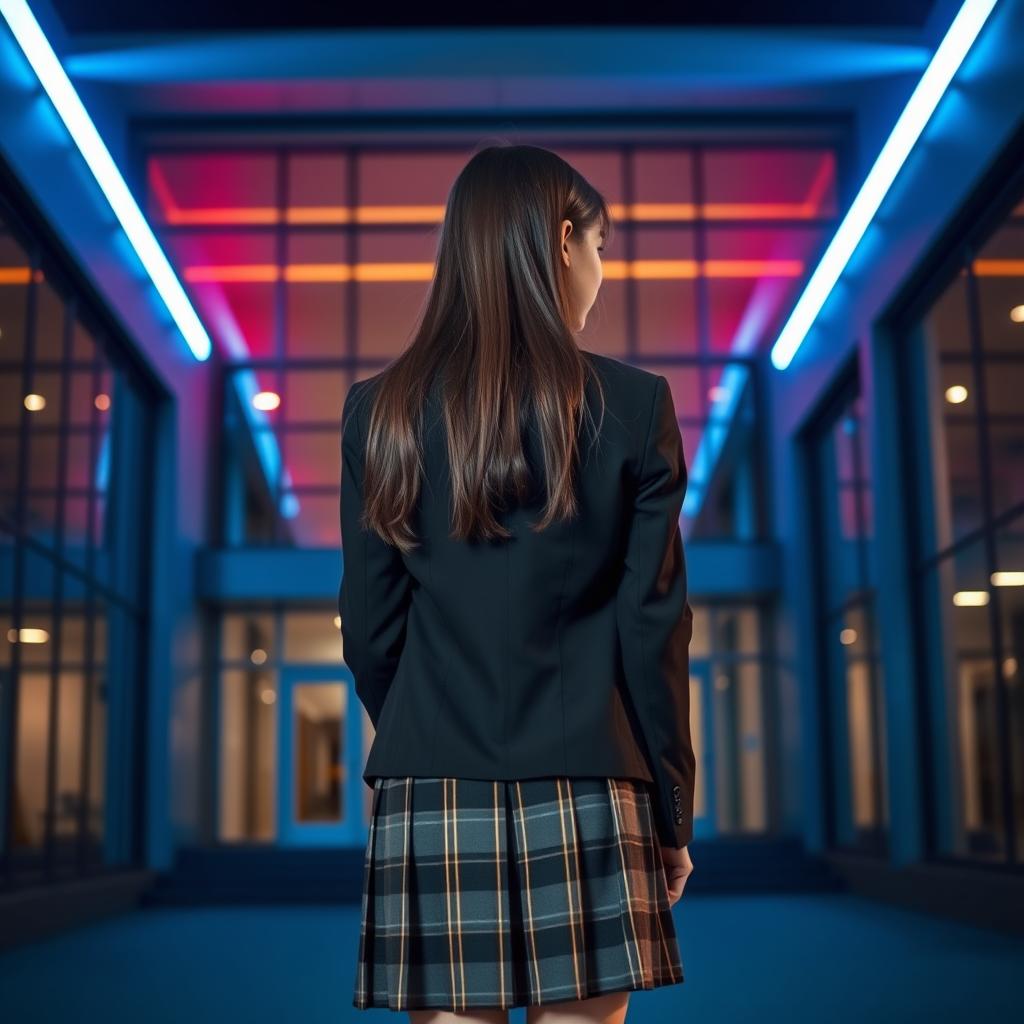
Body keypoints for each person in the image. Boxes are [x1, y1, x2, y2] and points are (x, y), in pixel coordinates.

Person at [340, 142, 696, 1024]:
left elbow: (371, 630)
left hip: (432, 776)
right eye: (603, 249)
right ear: (563, 238)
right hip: (590, 778)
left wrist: (423, 726)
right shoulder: (636, 406)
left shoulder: (377, 412)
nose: (602, 274)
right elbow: (653, 629)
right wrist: (673, 804)